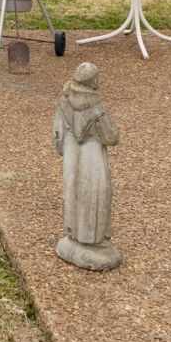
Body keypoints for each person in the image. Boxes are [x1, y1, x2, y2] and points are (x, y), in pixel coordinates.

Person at [52, 61, 122, 271]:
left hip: (72, 155)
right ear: (93, 82)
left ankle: (74, 236)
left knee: (74, 191)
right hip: (92, 159)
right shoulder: (95, 108)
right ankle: (92, 240)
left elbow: (57, 135)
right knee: (95, 194)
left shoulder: (65, 102)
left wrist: (66, 149)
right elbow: (112, 136)